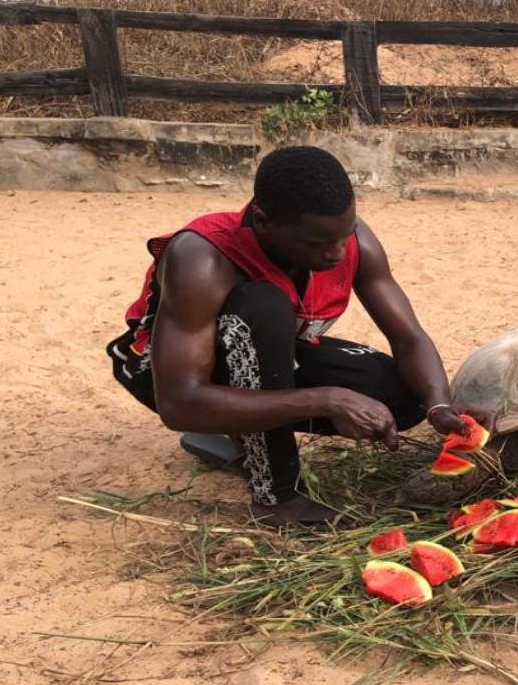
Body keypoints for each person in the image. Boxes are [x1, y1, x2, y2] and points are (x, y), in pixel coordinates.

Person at [106, 145, 493, 527]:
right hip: (163, 373)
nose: (336, 253)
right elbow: (179, 402)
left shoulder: (352, 240)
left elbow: (409, 337)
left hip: (269, 349)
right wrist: (326, 400)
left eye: (344, 235)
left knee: (402, 395)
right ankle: (277, 497)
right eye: (316, 243)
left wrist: (438, 405)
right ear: (263, 222)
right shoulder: (203, 256)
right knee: (263, 306)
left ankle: (232, 437)